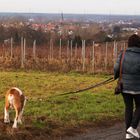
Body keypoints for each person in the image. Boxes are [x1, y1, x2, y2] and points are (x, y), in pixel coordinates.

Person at [114, 34, 140, 139]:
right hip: (138, 87)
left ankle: (128, 133)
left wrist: (115, 77)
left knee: (128, 108)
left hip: (124, 86)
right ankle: (133, 128)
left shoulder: (123, 53)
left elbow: (116, 68)